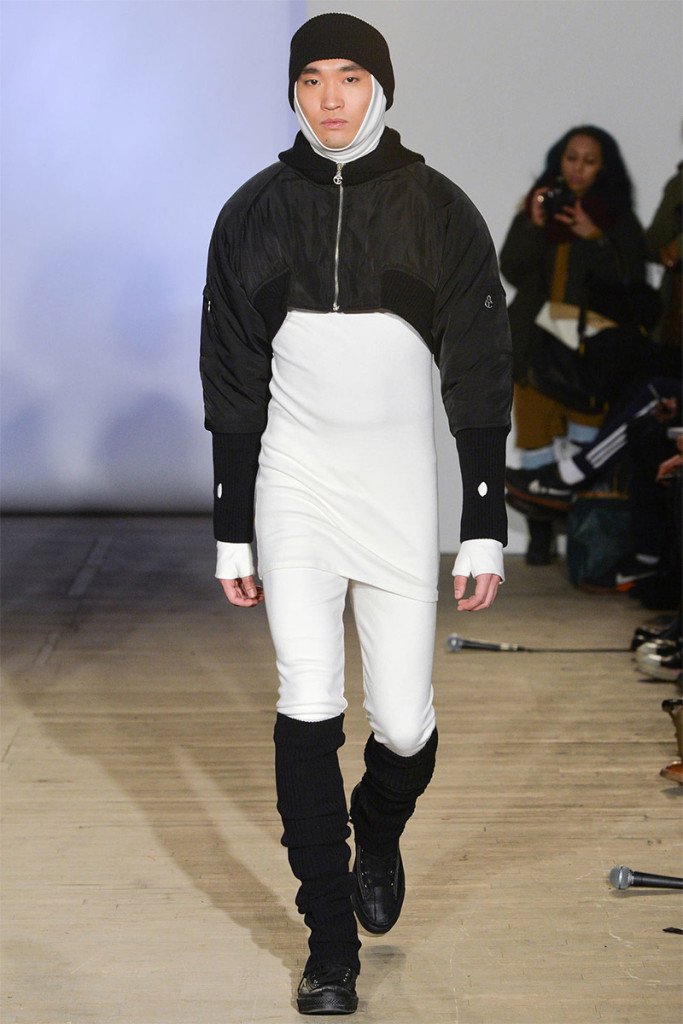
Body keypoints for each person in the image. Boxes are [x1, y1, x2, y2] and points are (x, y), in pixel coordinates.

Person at [199, 12, 512, 1016]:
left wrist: (482, 517)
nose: (329, 99)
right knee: (306, 697)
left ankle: (376, 830)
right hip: (294, 481)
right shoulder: (254, 211)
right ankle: (328, 946)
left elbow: (480, 372)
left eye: (348, 77)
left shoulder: (439, 210)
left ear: (380, 86)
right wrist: (232, 525)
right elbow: (231, 378)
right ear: (292, 92)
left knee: (406, 725)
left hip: (396, 490)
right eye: (310, 81)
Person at [499, 126, 648, 565]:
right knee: (535, 438)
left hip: (591, 349)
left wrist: (594, 237)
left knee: (589, 439)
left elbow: (631, 281)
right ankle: (540, 533)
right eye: (571, 158)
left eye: (589, 160)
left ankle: (586, 532)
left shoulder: (617, 218)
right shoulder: (540, 206)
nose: (578, 168)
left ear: (604, 167)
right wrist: (534, 223)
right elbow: (511, 268)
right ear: (558, 160)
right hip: (537, 344)